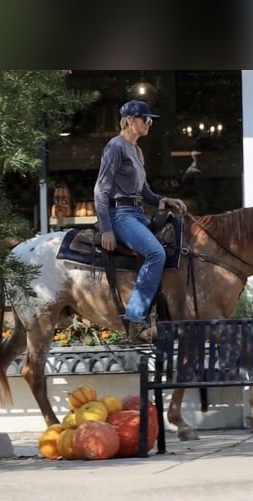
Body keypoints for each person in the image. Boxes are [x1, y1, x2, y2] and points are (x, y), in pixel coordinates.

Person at [93, 99, 187, 341]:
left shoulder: (136, 150)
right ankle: (135, 320)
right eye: (145, 119)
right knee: (156, 253)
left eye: (149, 120)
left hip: (136, 213)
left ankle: (160, 315)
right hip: (120, 214)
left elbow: (143, 191)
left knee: (172, 247)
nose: (149, 123)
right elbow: (101, 190)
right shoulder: (115, 147)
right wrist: (106, 228)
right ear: (130, 121)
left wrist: (163, 199)